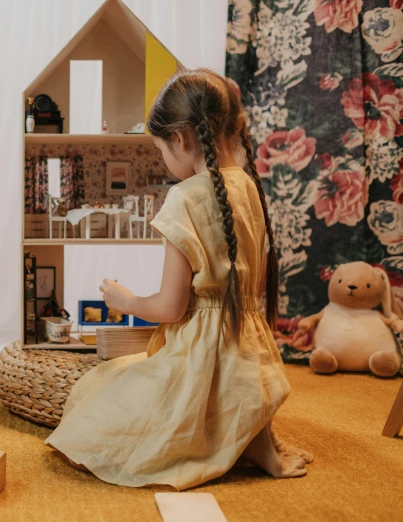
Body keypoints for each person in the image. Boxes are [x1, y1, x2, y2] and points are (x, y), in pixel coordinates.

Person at [45, 69, 313, 490]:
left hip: (201, 354)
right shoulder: (248, 186)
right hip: (245, 344)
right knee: (158, 385)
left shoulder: (184, 198)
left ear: (183, 139)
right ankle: (254, 438)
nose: (164, 161)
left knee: (99, 394)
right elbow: (251, 285)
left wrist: (125, 299)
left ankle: (244, 442)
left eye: (160, 150)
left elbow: (170, 308)